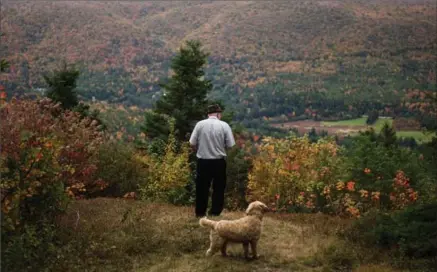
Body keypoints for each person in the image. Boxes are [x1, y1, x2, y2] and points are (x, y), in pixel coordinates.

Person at [189, 104, 236, 217]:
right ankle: (215, 212)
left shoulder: (200, 125)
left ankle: (200, 212)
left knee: (201, 188)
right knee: (218, 188)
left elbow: (192, 143)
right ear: (218, 114)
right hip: (219, 161)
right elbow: (230, 145)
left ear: (208, 114)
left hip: (203, 161)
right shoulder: (224, 125)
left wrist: (199, 150)